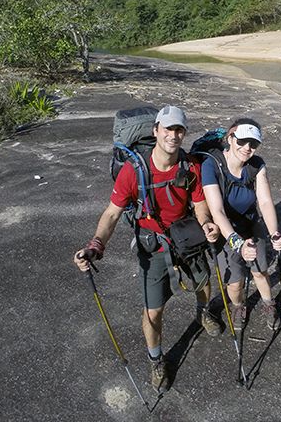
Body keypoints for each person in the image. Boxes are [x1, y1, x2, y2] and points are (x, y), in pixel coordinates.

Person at [74, 105, 221, 391]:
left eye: (179, 130)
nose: (173, 135)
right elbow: (111, 214)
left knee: (204, 281)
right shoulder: (133, 171)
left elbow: (200, 206)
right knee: (153, 311)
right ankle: (156, 360)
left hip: (185, 234)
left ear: (183, 134)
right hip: (152, 245)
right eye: (168, 129)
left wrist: (206, 225)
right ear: (156, 131)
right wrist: (96, 245)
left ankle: (203, 312)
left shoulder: (189, 166)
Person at [201, 118, 281, 333]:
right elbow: (217, 211)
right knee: (235, 282)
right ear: (230, 138)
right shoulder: (211, 164)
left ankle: (269, 303)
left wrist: (275, 233)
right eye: (242, 141)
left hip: (250, 224)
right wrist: (237, 243)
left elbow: (265, 202)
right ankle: (239, 306)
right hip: (225, 230)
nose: (247, 148)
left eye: (253, 144)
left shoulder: (256, 165)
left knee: (260, 270)